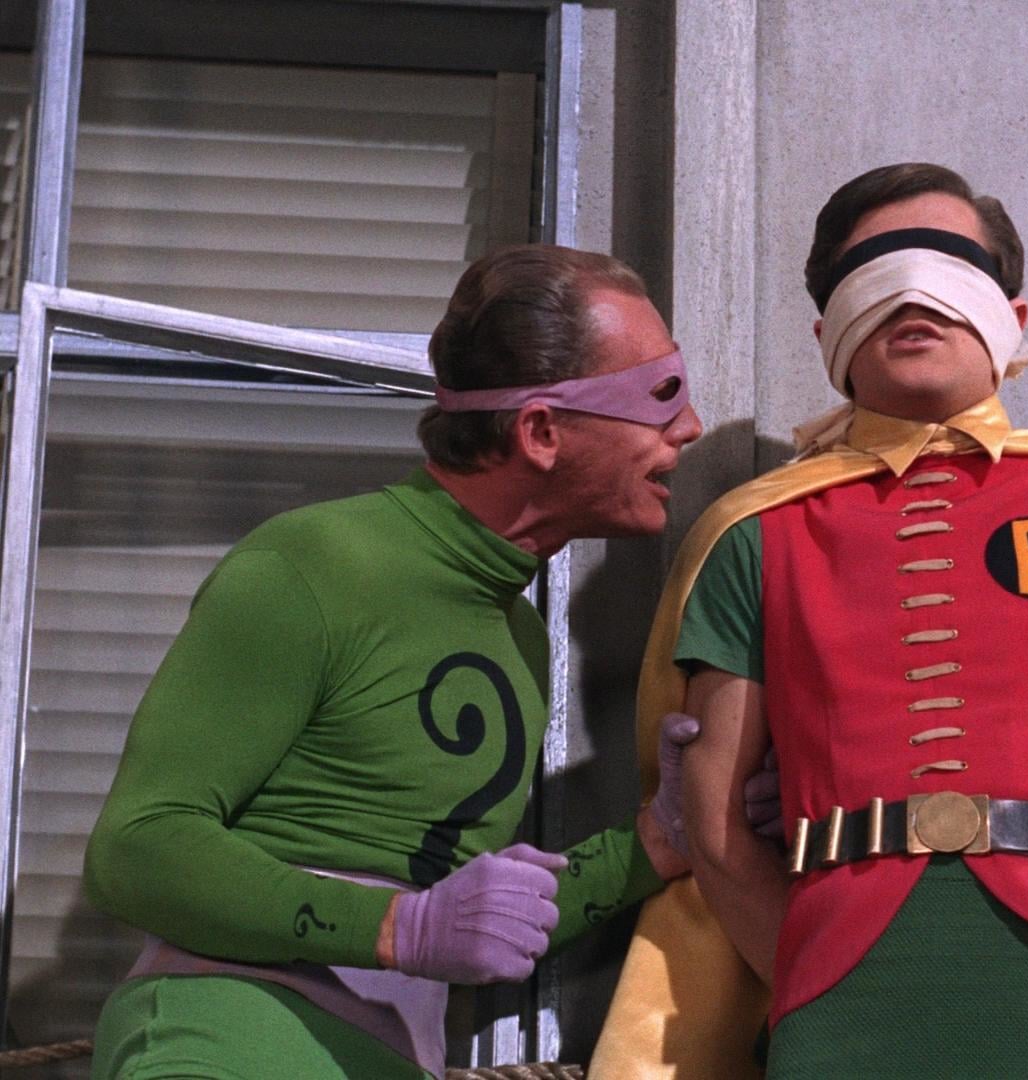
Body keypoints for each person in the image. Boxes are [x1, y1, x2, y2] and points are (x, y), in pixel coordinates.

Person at [589, 164, 1028, 1078]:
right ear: (827, 334)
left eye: (951, 265)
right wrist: (812, 973)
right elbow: (718, 827)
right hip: (837, 996)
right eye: (875, 272)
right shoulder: (755, 532)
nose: (915, 294)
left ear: (1013, 316)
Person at [83, 245, 707, 1080]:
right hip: (225, 1046)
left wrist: (659, 841)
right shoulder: (315, 563)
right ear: (541, 431)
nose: (690, 428)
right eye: (660, 397)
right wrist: (395, 929)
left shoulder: (520, 638)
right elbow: (136, 851)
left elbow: (457, 919)